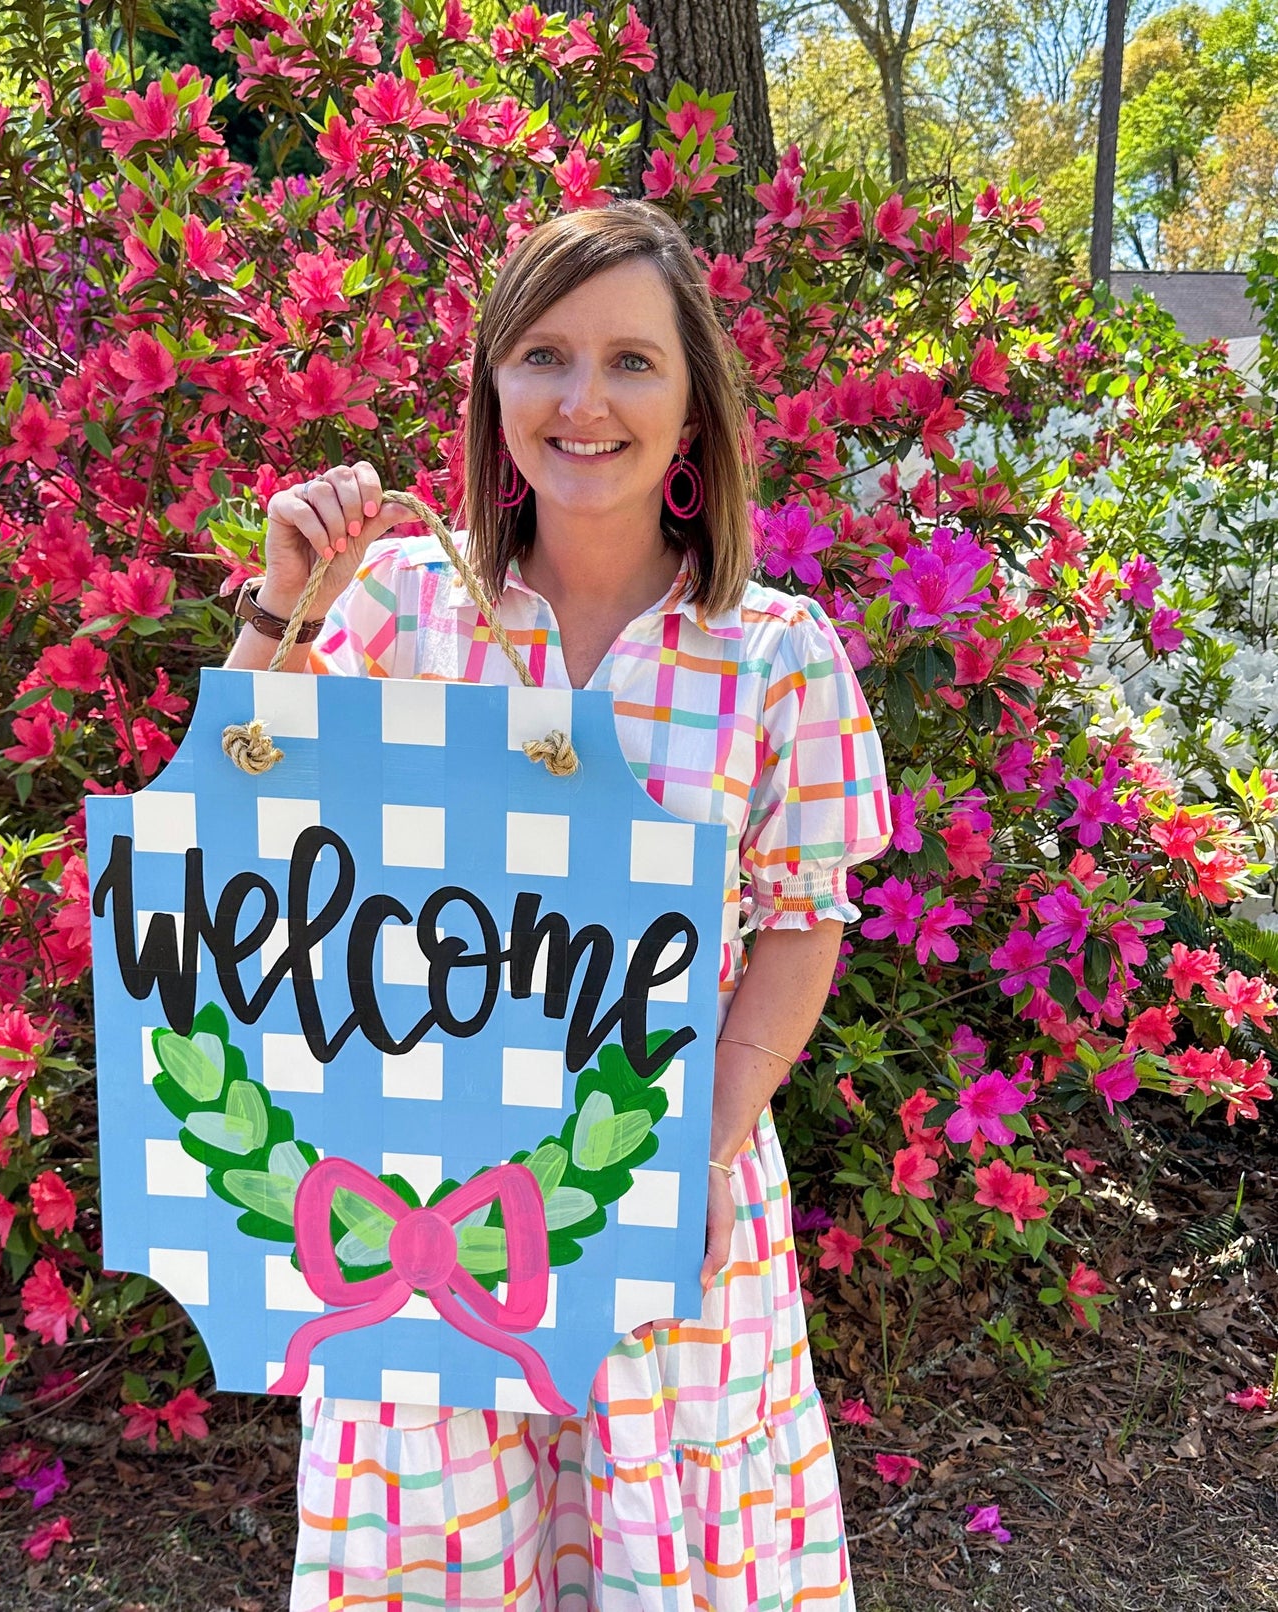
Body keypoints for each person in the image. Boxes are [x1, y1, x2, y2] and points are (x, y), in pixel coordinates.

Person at [226, 199, 892, 1612]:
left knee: (676, 1564)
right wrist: (282, 601)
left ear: (692, 412)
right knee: (431, 1571)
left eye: (631, 362)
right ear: (492, 391)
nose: (583, 400)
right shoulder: (401, 606)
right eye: (542, 356)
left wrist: (704, 1152)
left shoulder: (774, 656)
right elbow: (238, 816)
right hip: (412, 1206)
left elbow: (799, 920)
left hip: (665, 1197)